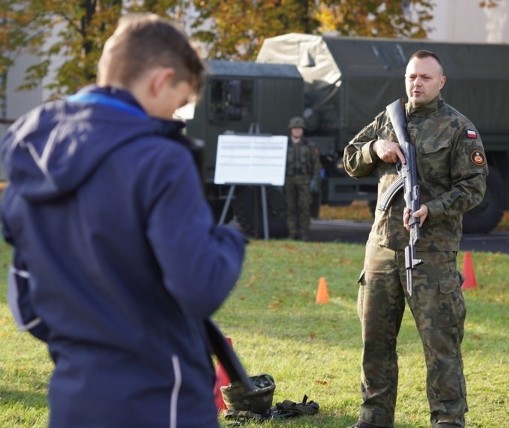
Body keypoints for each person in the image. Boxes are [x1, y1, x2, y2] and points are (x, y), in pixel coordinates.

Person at [1, 14, 246, 428]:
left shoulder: (28, 152)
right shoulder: (160, 159)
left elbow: (24, 299)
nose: (176, 118)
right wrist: (229, 240)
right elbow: (199, 287)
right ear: (159, 80)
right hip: (160, 397)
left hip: (74, 394)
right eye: (179, 102)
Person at [343, 50, 488, 428]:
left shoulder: (458, 128)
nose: (417, 84)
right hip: (382, 249)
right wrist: (376, 149)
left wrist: (432, 209)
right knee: (374, 343)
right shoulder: (387, 120)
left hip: (431, 253)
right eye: (411, 77)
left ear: (440, 83)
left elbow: (474, 189)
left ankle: (448, 420)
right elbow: (349, 158)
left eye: (425, 77)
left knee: (440, 346)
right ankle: (374, 417)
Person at [284, 116, 321, 240]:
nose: (297, 131)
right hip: (289, 179)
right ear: (291, 130)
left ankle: (304, 233)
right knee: (290, 207)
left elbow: (316, 164)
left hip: (304, 179)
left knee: (304, 207)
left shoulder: (309, 146)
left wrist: (315, 180)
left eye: (299, 128)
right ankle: (292, 232)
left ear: (303, 130)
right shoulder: (285, 145)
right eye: (295, 128)